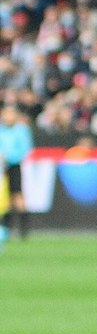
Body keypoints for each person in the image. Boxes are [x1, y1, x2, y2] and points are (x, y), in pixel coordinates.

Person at [0, 101, 31, 248]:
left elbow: (25, 149)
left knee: (17, 196)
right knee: (5, 199)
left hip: (13, 167)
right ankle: (6, 228)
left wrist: (9, 157)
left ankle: (24, 229)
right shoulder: (1, 130)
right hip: (1, 168)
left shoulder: (21, 130)